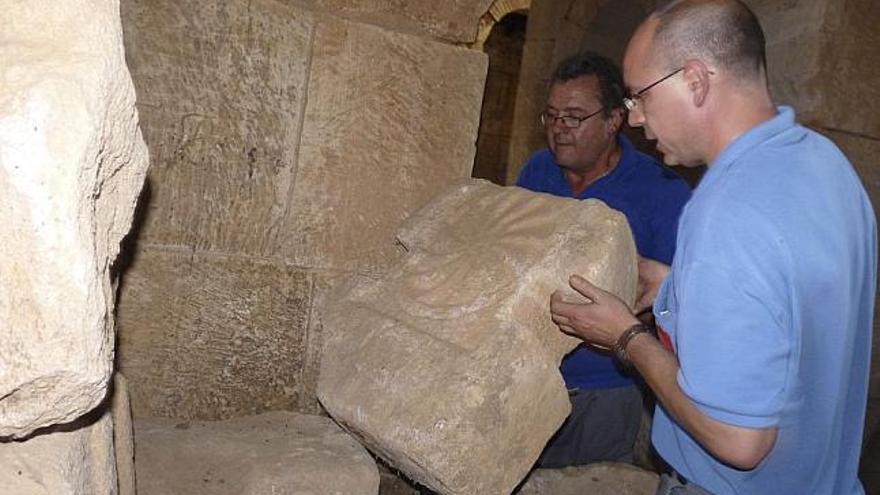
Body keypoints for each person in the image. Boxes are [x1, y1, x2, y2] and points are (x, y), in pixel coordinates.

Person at [549, 1, 877, 494]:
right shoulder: (826, 164)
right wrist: (677, 287)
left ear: (697, 80)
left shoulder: (726, 209)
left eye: (640, 96)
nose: (635, 119)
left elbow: (738, 439)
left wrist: (624, 337)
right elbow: (785, 310)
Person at [516, 51, 692, 467]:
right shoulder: (536, 173)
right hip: (527, 375)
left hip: (605, 389)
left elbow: (675, 307)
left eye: (574, 117)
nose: (559, 129)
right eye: (552, 115)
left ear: (614, 121)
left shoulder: (662, 194)